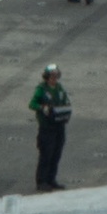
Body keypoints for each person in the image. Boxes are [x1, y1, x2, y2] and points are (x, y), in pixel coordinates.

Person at [29, 63, 71, 191]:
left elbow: (66, 101)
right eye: (51, 76)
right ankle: (41, 181)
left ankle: (51, 179)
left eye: (56, 76)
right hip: (47, 127)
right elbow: (32, 104)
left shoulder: (59, 88)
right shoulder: (41, 89)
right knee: (46, 154)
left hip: (59, 125)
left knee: (56, 153)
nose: (54, 79)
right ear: (46, 77)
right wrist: (42, 107)